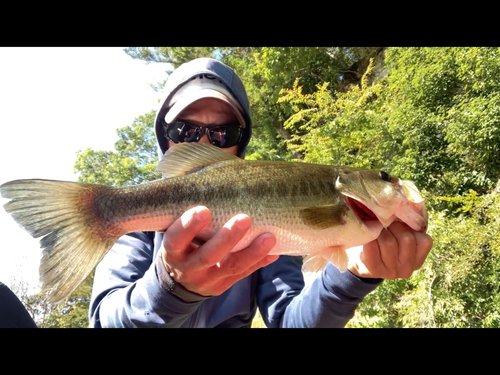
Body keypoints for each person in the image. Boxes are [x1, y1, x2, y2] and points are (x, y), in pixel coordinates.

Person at [89, 57, 433, 328]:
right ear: (167, 141)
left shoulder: (271, 234)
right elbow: (103, 321)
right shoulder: (136, 227)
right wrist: (169, 289)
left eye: (224, 133)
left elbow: (290, 321)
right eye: (186, 130)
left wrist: (352, 278)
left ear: (242, 142)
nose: (206, 141)